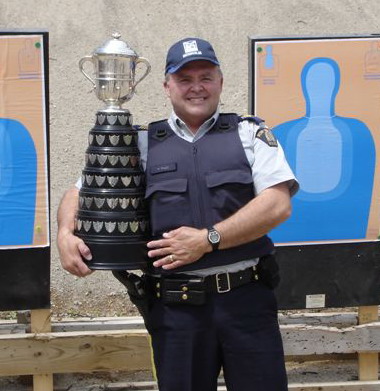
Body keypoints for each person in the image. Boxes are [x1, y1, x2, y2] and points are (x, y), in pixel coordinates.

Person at [57, 37, 299, 391]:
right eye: (185, 79)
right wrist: (66, 234)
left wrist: (207, 240)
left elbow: (277, 204)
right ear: (167, 85)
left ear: (220, 81)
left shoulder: (249, 135)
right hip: (176, 310)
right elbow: (78, 192)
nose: (196, 87)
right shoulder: (141, 142)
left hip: (246, 304)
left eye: (206, 77)